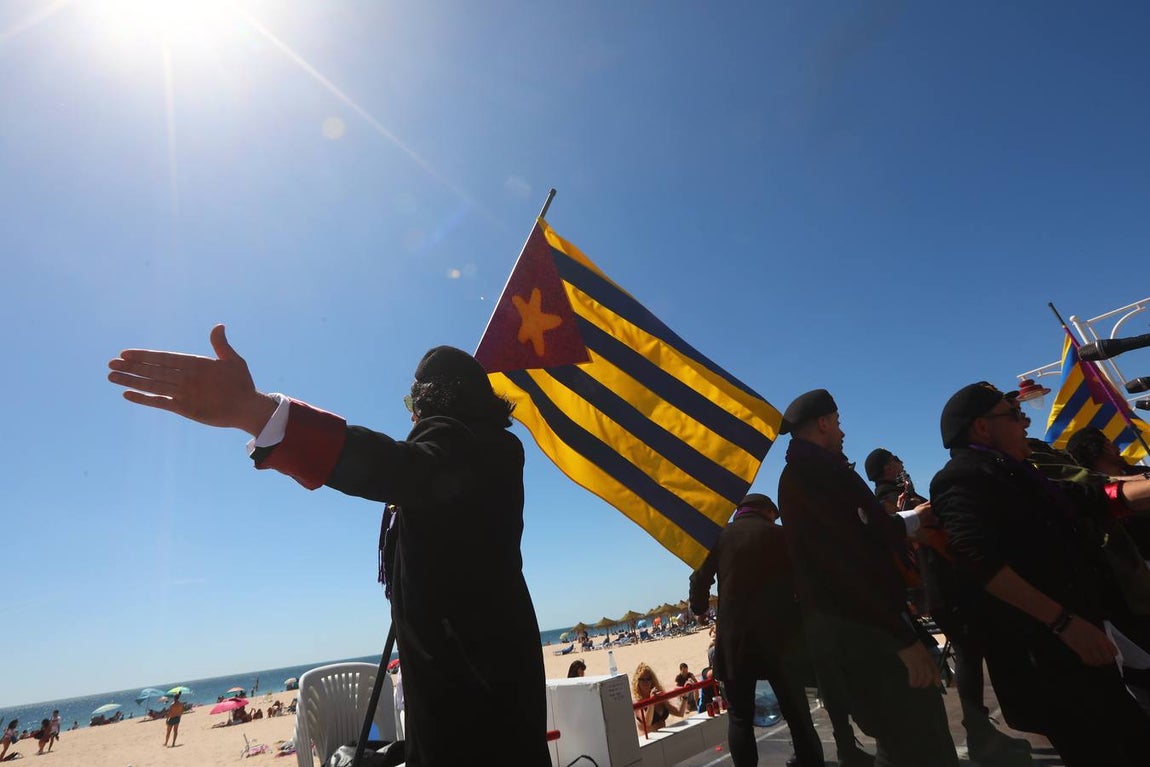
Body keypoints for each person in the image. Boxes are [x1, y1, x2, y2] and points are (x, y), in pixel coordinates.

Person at [108, 326, 550, 766]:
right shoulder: (488, 452)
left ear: (432, 403)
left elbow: (401, 467)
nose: (411, 415)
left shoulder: (471, 447)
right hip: (484, 679)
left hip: (472, 696)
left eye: (413, 403)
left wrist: (257, 412)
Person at [930, 382, 1150, 766]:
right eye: (1013, 415)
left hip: (1082, 644)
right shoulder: (962, 477)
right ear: (982, 428)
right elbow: (977, 559)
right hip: (1050, 661)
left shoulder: (1016, 473)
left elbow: (1088, 499)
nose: (1025, 421)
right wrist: (1063, 622)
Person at [776, 389, 957, 767]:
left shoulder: (811, 472)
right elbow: (847, 561)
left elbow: (861, 533)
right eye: (838, 422)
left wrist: (909, 522)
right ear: (823, 422)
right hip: (870, 636)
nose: (842, 432)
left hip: (864, 631)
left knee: (906, 736)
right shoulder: (815, 475)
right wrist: (899, 634)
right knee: (916, 735)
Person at [867, 446, 1031, 765]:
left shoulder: (893, 497)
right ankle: (980, 735)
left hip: (938, 583)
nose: (901, 462)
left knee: (969, 653)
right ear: (888, 468)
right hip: (945, 581)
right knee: (969, 655)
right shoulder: (892, 499)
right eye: (895, 460)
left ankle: (981, 732)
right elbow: (925, 534)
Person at [689, 493, 824, 767]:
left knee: (739, 716)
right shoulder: (781, 535)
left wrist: (700, 607)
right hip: (782, 639)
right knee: (798, 714)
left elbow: (698, 578)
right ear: (767, 512)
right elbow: (808, 580)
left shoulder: (721, 536)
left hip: (736, 640)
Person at [631, 662, 686, 734]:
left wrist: (685, 696)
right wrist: (651, 701)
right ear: (637, 681)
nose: (646, 682)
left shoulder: (657, 695)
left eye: (648, 679)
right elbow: (647, 723)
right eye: (642, 679)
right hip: (649, 742)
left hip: (664, 738)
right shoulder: (637, 702)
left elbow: (679, 713)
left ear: (652, 680)